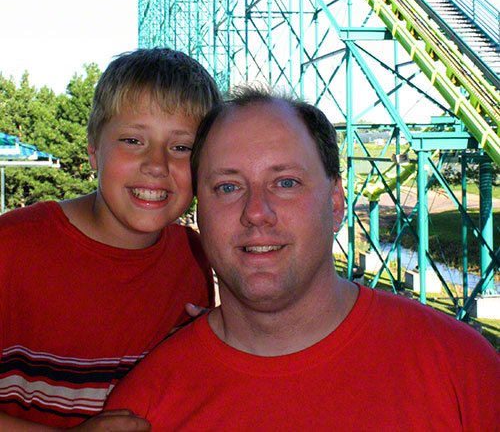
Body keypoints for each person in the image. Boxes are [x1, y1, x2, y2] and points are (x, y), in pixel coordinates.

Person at [106, 87, 500, 430]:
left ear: (335, 202)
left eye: (286, 183)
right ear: (198, 214)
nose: (256, 211)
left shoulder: (462, 370)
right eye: (227, 187)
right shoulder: (142, 407)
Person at [0, 48, 221, 431]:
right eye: (133, 141)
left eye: (182, 148)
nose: (156, 164)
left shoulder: (196, 258)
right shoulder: (12, 249)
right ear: (93, 152)